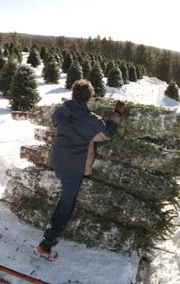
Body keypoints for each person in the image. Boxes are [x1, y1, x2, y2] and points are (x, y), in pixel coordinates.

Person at [35, 79, 126, 261]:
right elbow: (107, 134)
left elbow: (56, 121)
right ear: (90, 97)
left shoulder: (61, 111)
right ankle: (47, 244)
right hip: (73, 167)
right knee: (66, 206)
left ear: (73, 94)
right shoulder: (92, 120)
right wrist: (116, 114)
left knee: (64, 200)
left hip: (58, 160)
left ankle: (49, 237)